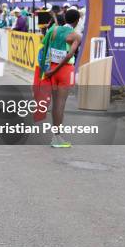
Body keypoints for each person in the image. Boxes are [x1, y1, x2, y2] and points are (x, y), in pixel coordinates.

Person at [42, 9, 82, 148]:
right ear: (77, 21)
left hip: (52, 68)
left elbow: (46, 46)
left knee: (55, 104)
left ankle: (56, 136)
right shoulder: (76, 36)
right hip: (64, 71)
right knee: (60, 104)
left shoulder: (54, 30)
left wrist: (49, 70)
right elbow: (69, 55)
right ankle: (57, 138)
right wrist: (55, 70)